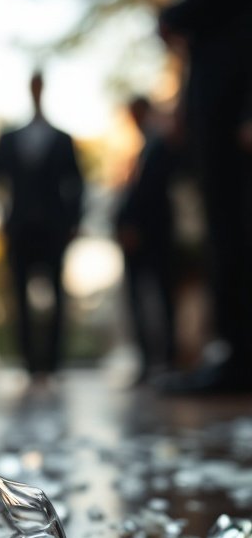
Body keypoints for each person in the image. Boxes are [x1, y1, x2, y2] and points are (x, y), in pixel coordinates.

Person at [159, 0, 252, 393]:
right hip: (222, 104)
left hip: (234, 103)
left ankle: (240, 358)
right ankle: (235, 349)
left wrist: (172, 15)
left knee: (236, 229)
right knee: (228, 230)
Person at [0, 71, 83, 378]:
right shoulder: (8, 139)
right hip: (19, 228)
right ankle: (28, 364)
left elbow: (77, 183)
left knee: (57, 297)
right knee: (17, 296)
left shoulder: (63, 139)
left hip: (54, 228)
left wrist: (74, 221)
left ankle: (54, 363)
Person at [114, 96, 180, 384]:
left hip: (151, 232)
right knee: (143, 298)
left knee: (159, 296)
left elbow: (150, 192)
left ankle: (166, 358)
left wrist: (132, 224)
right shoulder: (144, 147)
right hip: (140, 232)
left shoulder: (159, 143)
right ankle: (154, 358)